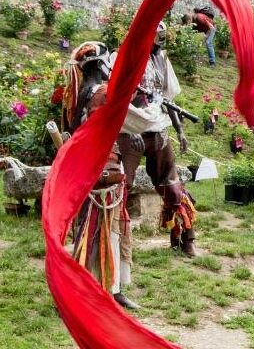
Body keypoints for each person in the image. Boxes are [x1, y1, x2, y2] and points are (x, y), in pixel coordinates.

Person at [63, 43, 140, 310]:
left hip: (87, 167)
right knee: (99, 229)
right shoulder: (102, 92)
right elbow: (126, 120)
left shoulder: (78, 93)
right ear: (101, 64)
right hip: (102, 169)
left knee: (100, 228)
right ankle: (88, 289)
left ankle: (111, 286)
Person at [115, 22, 198, 257]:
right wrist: (130, 130)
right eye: (156, 33)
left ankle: (184, 237)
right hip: (129, 130)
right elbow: (117, 97)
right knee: (121, 184)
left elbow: (166, 98)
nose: (160, 37)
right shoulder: (124, 57)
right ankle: (113, 242)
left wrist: (179, 129)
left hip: (157, 128)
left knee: (172, 187)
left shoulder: (161, 58)